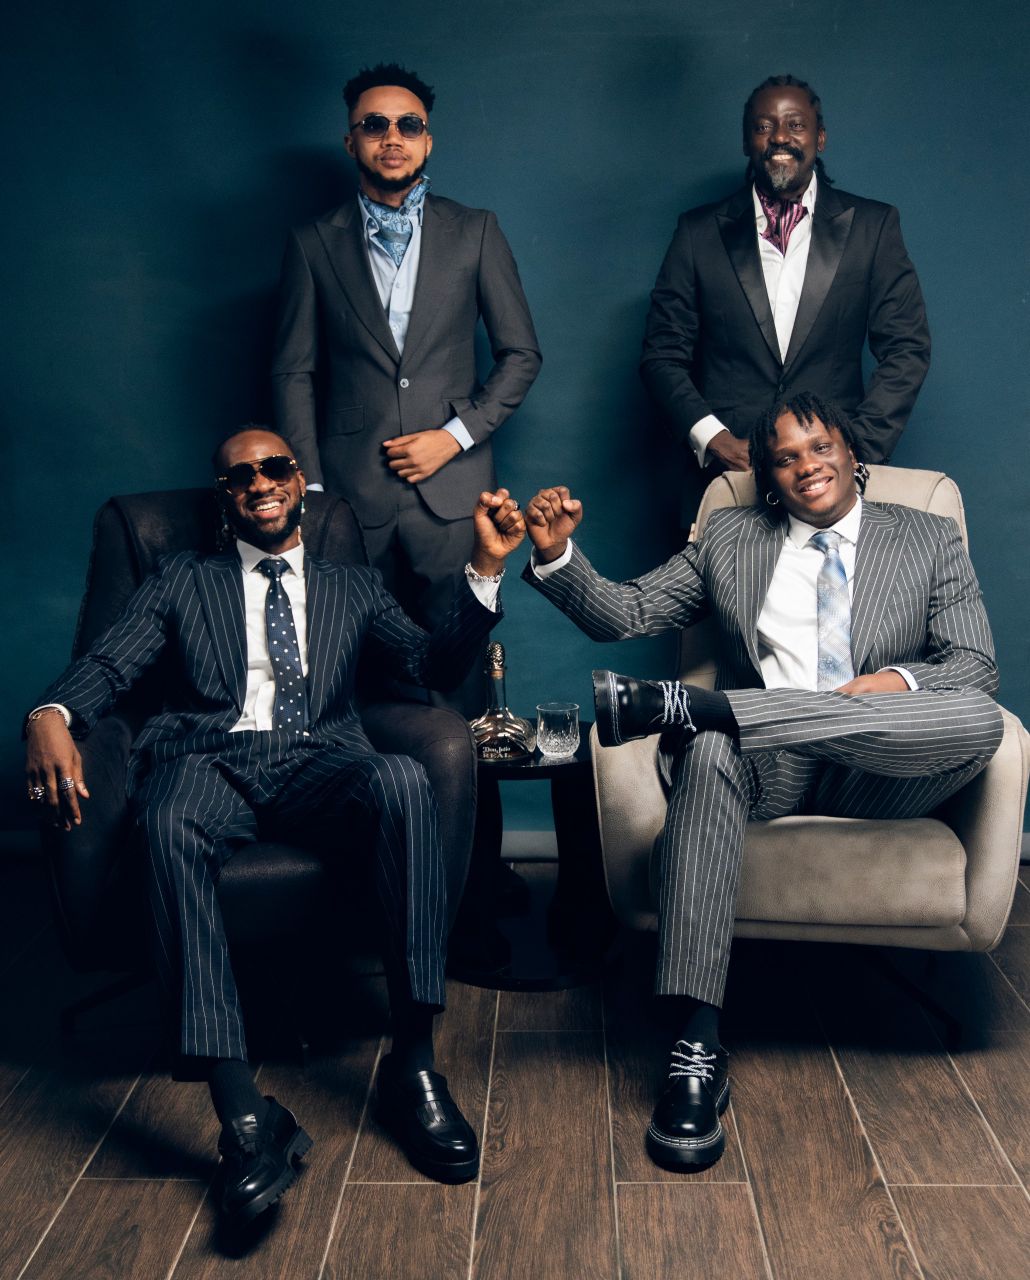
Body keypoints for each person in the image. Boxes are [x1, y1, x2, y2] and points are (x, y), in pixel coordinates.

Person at [24, 427, 526, 1219]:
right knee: (166, 824)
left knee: (401, 780)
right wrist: (49, 714)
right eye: (240, 476)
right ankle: (246, 1116)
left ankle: (413, 1065)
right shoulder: (183, 578)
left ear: (299, 484)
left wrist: (487, 568)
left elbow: (430, 666)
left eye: (274, 468)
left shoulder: (350, 585)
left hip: (318, 757)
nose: (259, 482)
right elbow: (111, 663)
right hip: (208, 758)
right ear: (224, 498)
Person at [522, 392, 1002, 1171]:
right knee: (710, 751)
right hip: (766, 769)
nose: (807, 466)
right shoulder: (732, 537)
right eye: (785, 458)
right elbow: (629, 612)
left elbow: (974, 666)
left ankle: (702, 709)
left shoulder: (927, 536)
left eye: (820, 448)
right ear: (769, 478)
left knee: (979, 720)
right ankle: (694, 1047)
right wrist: (555, 555)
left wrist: (892, 685)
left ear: (851, 454)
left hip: (880, 771)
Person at [272, 62, 541, 714]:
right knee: (352, 671)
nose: (392, 137)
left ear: (427, 141)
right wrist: (311, 492)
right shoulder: (312, 243)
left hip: (453, 497)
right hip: (349, 495)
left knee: (460, 669)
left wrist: (453, 437)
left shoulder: (476, 230)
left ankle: (465, 784)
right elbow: (292, 372)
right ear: (351, 141)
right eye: (375, 125)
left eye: (408, 125)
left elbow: (521, 355)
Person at [641, 74, 930, 520]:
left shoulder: (873, 228)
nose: (779, 137)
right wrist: (714, 440)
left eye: (795, 124)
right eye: (763, 126)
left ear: (820, 137)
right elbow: (662, 355)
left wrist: (855, 450)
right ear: (747, 141)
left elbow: (906, 349)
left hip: (834, 487)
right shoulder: (697, 233)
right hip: (728, 481)